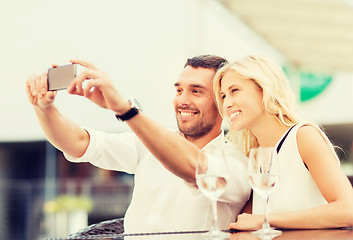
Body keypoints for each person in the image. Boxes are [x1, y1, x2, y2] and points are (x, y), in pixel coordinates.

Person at [26, 55, 251, 233]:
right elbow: (78, 143)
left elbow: (195, 168)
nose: (183, 100)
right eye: (179, 90)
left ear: (222, 102)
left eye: (196, 91)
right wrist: (44, 108)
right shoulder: (146, 144)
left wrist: (125, 109)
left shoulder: (237, 163)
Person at [211, 55, 353, 230]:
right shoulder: (254, 155)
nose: (226, 103)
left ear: (264, 89)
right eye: (223, 96)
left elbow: (348, 210)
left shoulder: (303, 136)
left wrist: (266, 219)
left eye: (234, 91)